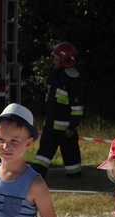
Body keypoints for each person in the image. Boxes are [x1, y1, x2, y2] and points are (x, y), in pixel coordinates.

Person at [33, 42, 84, 179]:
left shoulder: (73, 80)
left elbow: (78, 108)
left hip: (66, 130)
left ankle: (74, 177)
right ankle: (37, 175)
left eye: (56, 59)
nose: (54, 62)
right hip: (50, 126)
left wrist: (72, 127)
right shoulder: (54, 75)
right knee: (43, 154)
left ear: (64, 61)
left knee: (70, 154)